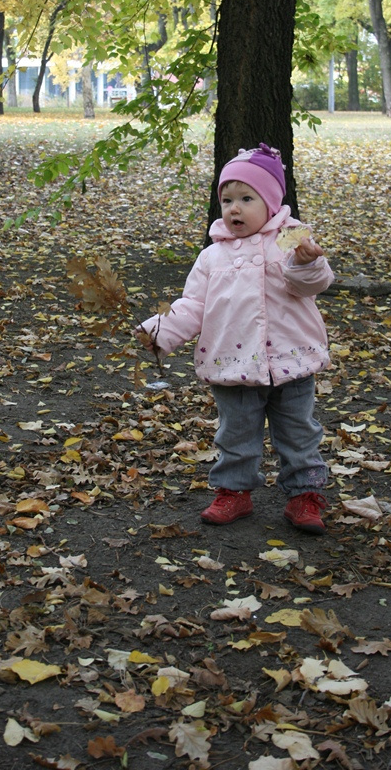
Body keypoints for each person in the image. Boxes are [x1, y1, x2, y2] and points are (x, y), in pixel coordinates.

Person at [136, 143, 334, 534]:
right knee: (236, 433)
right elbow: (194, 304)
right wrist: (161, 330)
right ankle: (234, 491)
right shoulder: (212, 256)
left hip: (290, 360)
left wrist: (307, 262)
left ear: (273, 203)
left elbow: (312, 283)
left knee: (298, 432)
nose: (235, 209)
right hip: (233, 362)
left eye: (247, 198)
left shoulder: (291, 239)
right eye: (227, 200)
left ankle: (304, 495)